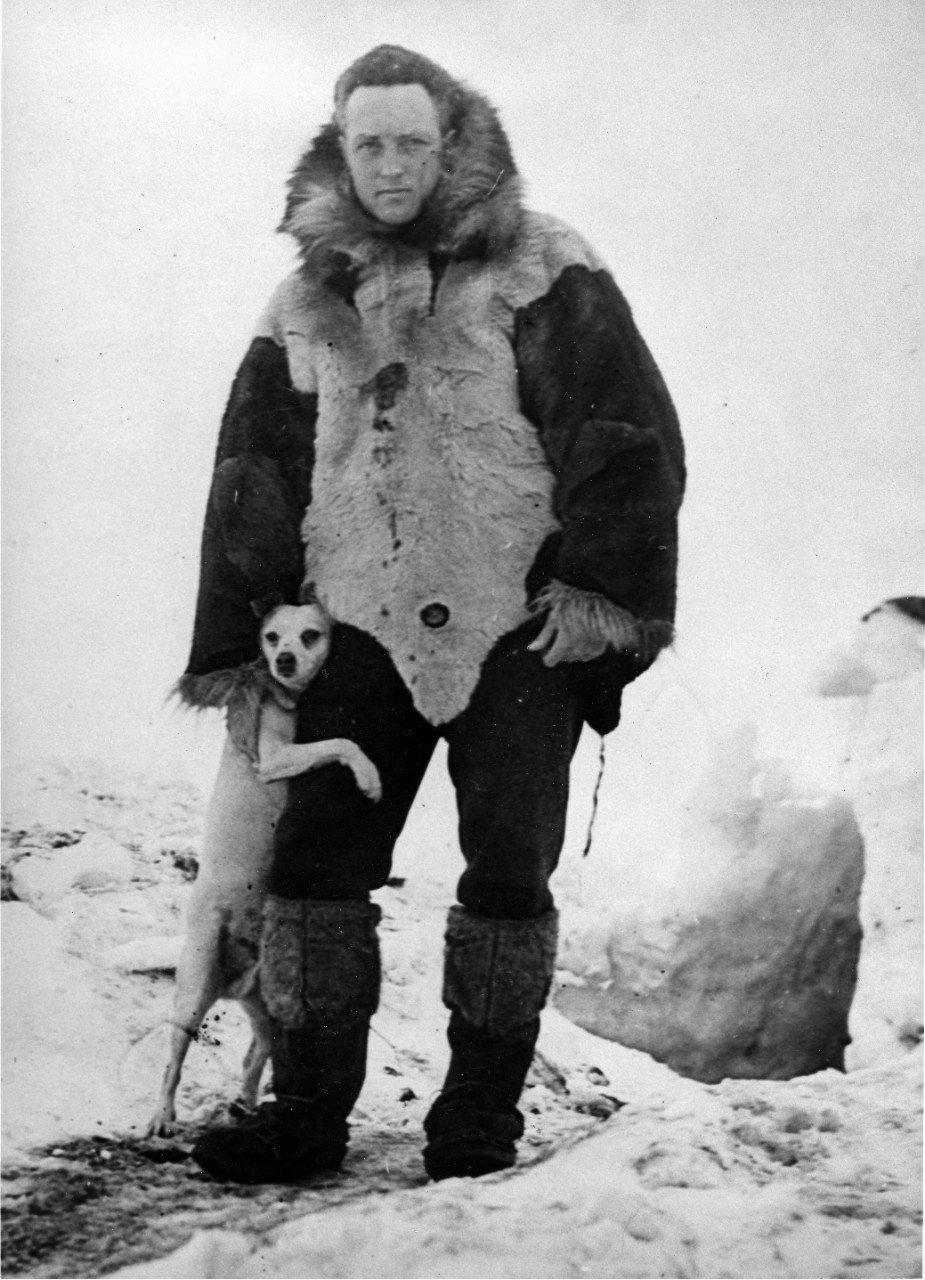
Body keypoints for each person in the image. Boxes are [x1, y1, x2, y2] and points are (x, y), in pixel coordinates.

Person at [178, 44, 685, 1184]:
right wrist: (242, 639)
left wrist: (601, 596)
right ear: (339, 146)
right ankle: (305, 1116)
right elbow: (251, 469)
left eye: (413, 142)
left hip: (515, 625)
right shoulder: (307, 293)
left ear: (452, 142)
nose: (392, 165)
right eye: (371, 144)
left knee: (508, 873)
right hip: (352, 620)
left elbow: (624, 433)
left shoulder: (543, 263)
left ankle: (474, 1124)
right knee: (313, 870)